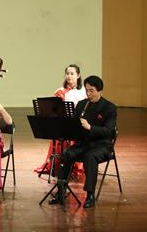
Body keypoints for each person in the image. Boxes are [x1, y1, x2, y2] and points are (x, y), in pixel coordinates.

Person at [51, 75, 117, 208]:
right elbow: (73, 125)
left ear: (100, 91)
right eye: (86, 90)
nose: (88, 94)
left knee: (90, 157)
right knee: (66, 153)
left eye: (91, 91)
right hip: (84, 143)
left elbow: (109, 131)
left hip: (102, 146)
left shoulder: (109, 107)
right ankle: (61, 190)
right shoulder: (82, 104)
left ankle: (90, 194)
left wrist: (90, 127)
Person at [35, 64, 86, 178]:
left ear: (78, 75)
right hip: (63, 124)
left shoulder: (83, 92)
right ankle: (58, 165)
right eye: (67, 74)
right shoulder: (60, 91)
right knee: (58, 132)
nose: (69, 76)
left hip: (77, 124)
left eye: (72, 74)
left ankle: (74, 166)